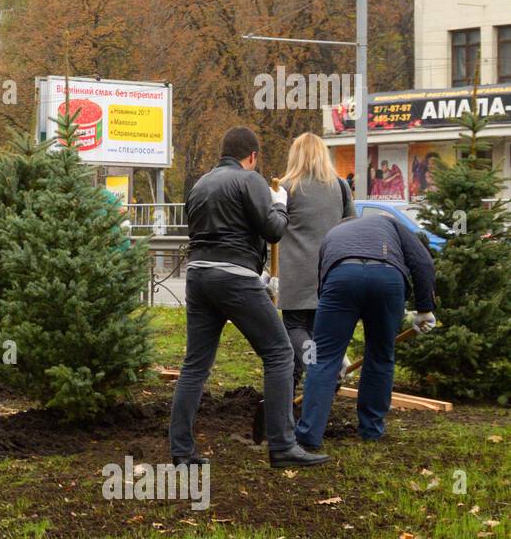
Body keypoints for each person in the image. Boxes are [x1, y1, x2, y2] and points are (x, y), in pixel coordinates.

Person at [169, 127, 328, 468]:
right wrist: (281, 206)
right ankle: (283, 446)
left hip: (198, 277)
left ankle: (181, 450)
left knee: (195, 364)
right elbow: (272, 230)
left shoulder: (200, 184)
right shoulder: (249, 179)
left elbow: (207, 232)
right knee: (280, 353)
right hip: (234, 277)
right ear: (252, 156)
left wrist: (258, 274)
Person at [294, 214, 437, 449]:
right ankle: (371, 431)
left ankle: (309, 436)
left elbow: (324, 283)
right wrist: (424, 308)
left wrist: (334, 354)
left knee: (322, 360)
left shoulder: (332, 235)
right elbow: (423, 262)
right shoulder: (390, 223)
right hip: (387, 279)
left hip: (341, 279)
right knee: (380, 356)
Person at [277, 133, 355, 395]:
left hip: (297, 276)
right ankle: (305, 379)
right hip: (333, 273)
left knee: (295, 327)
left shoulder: (285, 188)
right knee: (318, 330)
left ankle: (316, 370)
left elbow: (271, 228)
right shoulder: (341, 186)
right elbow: (351, 226)